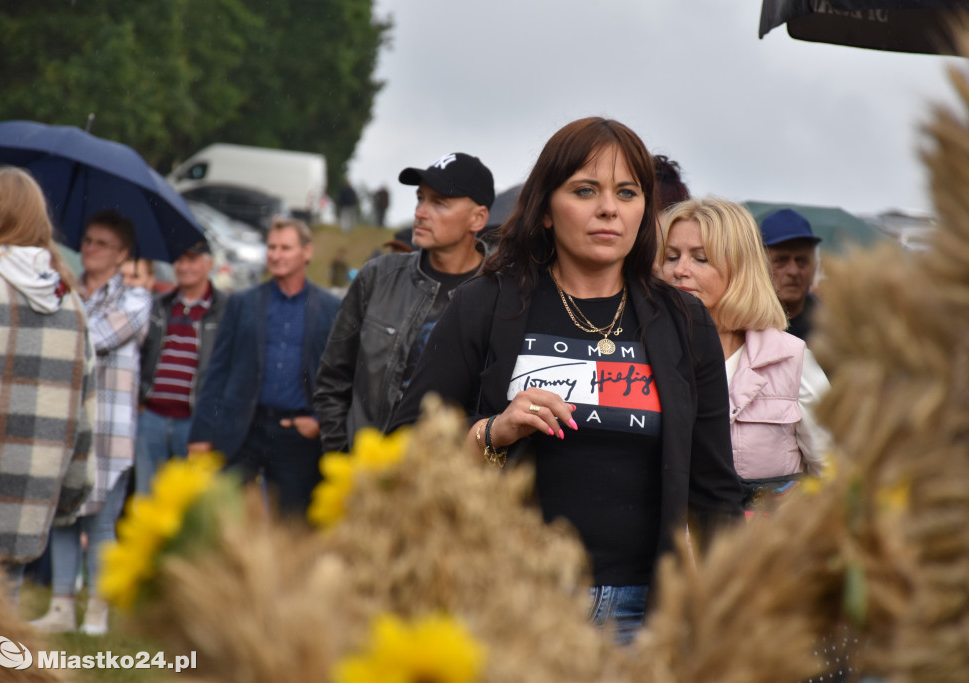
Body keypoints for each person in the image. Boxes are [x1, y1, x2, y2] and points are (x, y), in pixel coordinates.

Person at [390, 119, 742, 644]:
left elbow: (714, 489)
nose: (609, 209)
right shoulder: (485, 304)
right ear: (547, 210)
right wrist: (493, 431)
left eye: (627, 193)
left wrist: (732, 612)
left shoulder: (683, 321)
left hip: (641, 614)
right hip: (513, 603)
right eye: (585, 190)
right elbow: (401, 447)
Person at [657, 198, 832, 510]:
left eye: (700, 258)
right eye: (671, 257)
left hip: (760, 552)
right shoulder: (641, 350)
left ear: (739, 269)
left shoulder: (789, 359)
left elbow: (837, 475)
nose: (679, 270)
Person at [313, 152, 494, 452]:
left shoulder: (502, 292)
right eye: (420, 198)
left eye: (439, 203)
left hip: (451, 481)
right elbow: (333, 379)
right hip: (369, 474)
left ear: (478, 218)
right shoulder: (378, 277)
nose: (421, 212)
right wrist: (346, 459)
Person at [0, 167, 96, 600]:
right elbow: (85, 413)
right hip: (27, 503)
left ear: (6, 218)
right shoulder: (71, 304)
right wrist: (73, 491)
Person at [34, 208, 151, 635]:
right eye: (86, 240)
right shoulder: (65, 290)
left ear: (122, 254)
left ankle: (98, 610)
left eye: (101, 243)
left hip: (110, 431)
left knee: (102, 522)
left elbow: (88, 340)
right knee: (63, 517)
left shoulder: (136, 300)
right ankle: (62, 606)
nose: (89, 249)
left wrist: (62, 310)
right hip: (66, 425)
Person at [188, 218, 339, 516]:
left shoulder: (330, 308)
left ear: (306, 253)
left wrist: (320, 422)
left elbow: (341, 376)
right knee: (229, 524)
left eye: (286, 247)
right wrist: (201, 434)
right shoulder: (242, 303)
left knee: (293, 531)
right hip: (243, 430)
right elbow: (217, 372)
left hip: (297, 436)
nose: (276, 255)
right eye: (271, 247)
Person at [135, 240, 227, 495]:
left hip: (194, 423)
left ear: (209, 264)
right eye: (180, 260)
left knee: (191, 505)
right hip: (152, 418)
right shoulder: (159, 305)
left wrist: (212, 423)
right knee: (147, 499)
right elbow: (141, 355)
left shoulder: (225, 310)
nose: (184, 266)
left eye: (192, 260)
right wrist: (141, 400)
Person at [759, 208, 822, 342]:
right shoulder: (742, 328)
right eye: (781, 260)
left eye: (802, 261)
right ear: (759, 267)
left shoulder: (831, 329)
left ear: (814, 267)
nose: (793, 271)